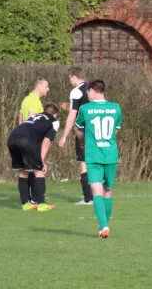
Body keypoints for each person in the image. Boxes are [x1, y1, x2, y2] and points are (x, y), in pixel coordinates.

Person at [75, 80, 122, 239]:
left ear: (93, 90)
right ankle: (103, 226)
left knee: (96, 191)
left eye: (87, 92)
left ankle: (104, 226)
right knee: (107, 190)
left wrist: (82, 142)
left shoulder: (85, 109)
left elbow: (78, 129)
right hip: (110, 155)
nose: (87, 95)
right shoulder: (116, 108)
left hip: (93, 155)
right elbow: (115, 132)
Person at [8, 103, 59, 211]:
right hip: (27, 140)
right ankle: (41, 204)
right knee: (39, 170)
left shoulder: (34, 116)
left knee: (24, 171)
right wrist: (42, 160)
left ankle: (25, 204)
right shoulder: (54, 121)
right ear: (55, 114)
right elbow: (46, 141)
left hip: (12, 138)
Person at [58, 66, 93, 205]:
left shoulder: (76, 91)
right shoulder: (93, 88)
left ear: (73, 76)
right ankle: (98, 196)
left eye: (69, 78)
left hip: (83, 132)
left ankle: (88, 199)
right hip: (98, 130)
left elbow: (73, 116)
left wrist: (64, 136)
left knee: (83, 163)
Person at [18, 78, 50, 203]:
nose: (48, 89)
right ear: (39, 87)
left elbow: (20, 118)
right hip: (32, 140)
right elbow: (32, 117)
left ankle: (25, 201)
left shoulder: (26, 99)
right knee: (39, 169)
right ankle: (39, 201)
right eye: (46, 86)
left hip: (23, 138)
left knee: (25, 170)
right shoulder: (35, 101)